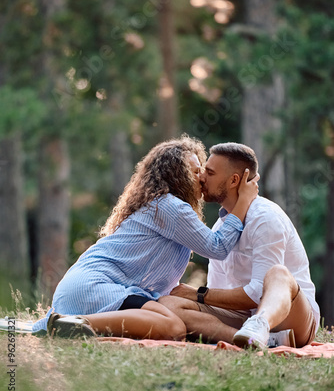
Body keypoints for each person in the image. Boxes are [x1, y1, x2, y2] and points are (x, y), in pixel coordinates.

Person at [32, 136, 259, 340]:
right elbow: (217, 247)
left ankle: (69, 323)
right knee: (172, 327)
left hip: (84, 288)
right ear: (176, 176)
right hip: (95, 287)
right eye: (194, 171)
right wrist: (243, 202)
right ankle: (75, 324)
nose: (201, 177)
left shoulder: (162, 206)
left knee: (171, 324)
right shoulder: (171, 207)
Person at [159, 142, 320, 348]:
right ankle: (257, 340)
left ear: (234, 180)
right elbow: (216, 293)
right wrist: (196, 298)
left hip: (291, 319)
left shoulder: (265, 217)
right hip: (244, 317)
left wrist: (196, 293)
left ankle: (261, 326)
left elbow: (257, 293)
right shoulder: (221, 227)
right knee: (167, 305)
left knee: (278, 273)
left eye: (209, 172)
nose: (201, 177)